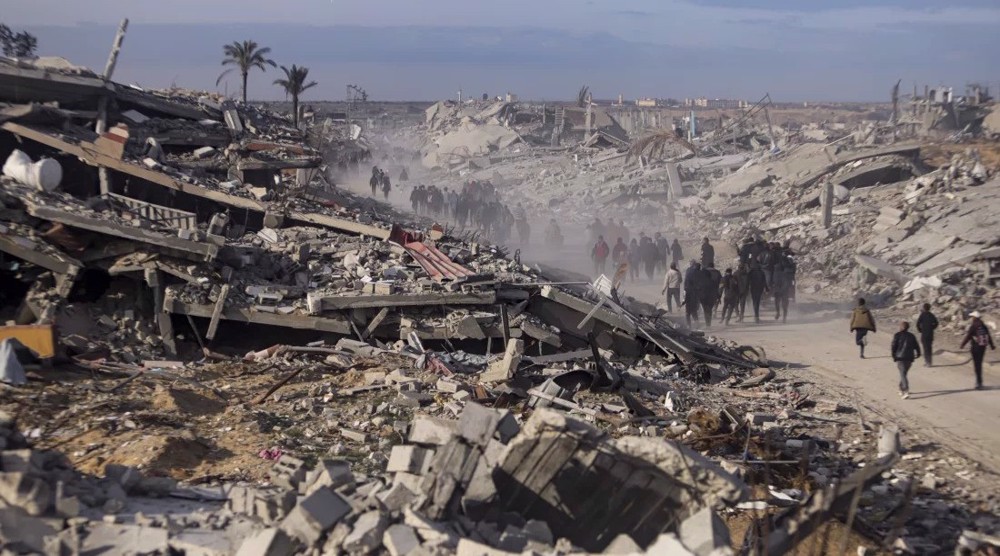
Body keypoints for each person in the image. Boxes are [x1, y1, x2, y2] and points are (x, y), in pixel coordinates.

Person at [960, 311, 995, 390]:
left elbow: (968, 336)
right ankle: (980, 382)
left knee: (977, 365)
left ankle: (978, 383)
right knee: (979, 364)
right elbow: (988, 336)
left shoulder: (974, 326)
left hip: (975, 348)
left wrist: (962, 345)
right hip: (983, 347)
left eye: (972, 317)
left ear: (975, 317)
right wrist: (992, 345)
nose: (972, 318)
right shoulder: (983, 325)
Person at [891, 322, 921, 399]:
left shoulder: (897, 335)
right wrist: (918, 353)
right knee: (904, 373)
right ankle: (900, 389)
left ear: (901, 327)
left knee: (903, 374)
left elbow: (893, 346)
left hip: (900, 358)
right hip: (910, 358)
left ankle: (906, 391)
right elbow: (916, 345)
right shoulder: (911, 336)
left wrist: (893, 355)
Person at [701, 262, 722, 327]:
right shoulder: (717, 272)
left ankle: (707, 323)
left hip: (704, 296)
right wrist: (719, 296)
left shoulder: (703, 274)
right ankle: (709, 323)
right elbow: (720, 282)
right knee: (710, 309)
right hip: (713, 294)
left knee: (705, 309)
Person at [683, 261, 702, 326]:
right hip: (696, 295)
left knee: (688, 313)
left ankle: (689, 325)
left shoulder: (689, 273)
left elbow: (685, 284)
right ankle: (697, 323)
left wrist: (684, 300)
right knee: (694, 311)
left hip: (689, 295)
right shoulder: (700, 273)